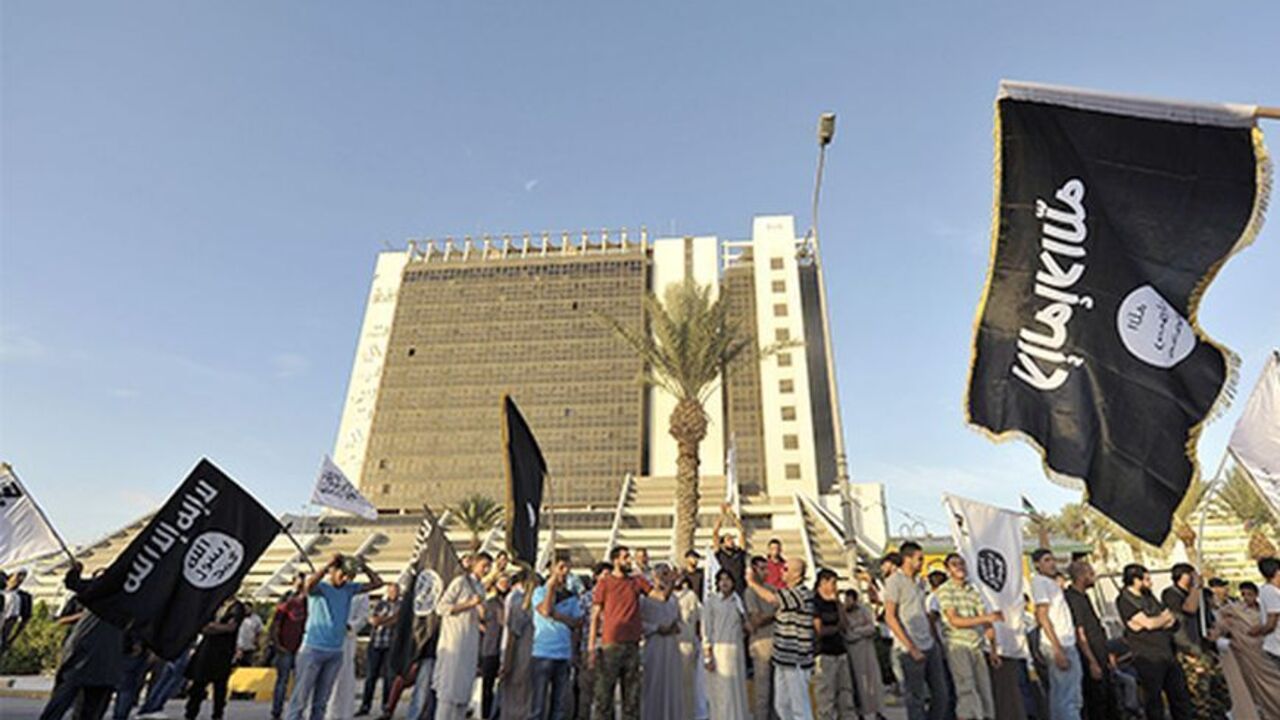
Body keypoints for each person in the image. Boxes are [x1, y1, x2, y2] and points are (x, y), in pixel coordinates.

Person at [288, 553, 384, 720]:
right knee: (300, 699)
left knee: (321, 702)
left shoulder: (349, 588)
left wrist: (363, 566)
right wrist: (327, 565)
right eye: (342, 574)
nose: (345, 579)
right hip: (313, 649)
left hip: (335, 651)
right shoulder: (320, 588)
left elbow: (378, 583)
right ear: (332, 571)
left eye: (349, 576)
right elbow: (308, 585)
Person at [39, 563, 123, 720]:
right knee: (69, 701)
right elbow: (72, 583)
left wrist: (75, 571)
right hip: (91, 656)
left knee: (78, 702)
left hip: (96, 657)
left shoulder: (114, 596)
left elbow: (72, 582)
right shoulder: (118, 596)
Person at [1115, 563, 1192, 720]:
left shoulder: (1149, 596)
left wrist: (1157, 621)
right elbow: (1147, 624)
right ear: (1136, 580)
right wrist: (1158, 621)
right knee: (1154, 701)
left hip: (1167, 653)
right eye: (1146, 579)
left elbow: (1168, 617)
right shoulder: (1125, 600)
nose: (1150, 583)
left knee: (1180, 697)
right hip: (1148, 657)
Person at [883, 542, 950, 720]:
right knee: (916, 698)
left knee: (941, 694)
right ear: (907, 559)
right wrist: (911, 647)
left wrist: (935, 641)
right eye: (919, 559)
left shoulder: (920, 582)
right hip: (909, 647)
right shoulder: (895, 582)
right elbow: (890, 616)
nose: (921, 563)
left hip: (929, 643)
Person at [745, 555, 815, 720]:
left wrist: (752, 582)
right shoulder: (786, 592)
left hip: (797, 659)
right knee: (781, 706)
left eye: (785, 569)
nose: (781, 571)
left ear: (796, 574)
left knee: (799, 707)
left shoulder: (801, 593)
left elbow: (771, 599)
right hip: (782, 658)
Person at [588, 545, 653, 720]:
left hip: (632, 645)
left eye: (629, 557)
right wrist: (592, 647)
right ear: (615, 560)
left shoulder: (636, 581)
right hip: (610, 645)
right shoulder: (605, 582)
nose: (629, 560)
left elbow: (659, 596)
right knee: (604, 698)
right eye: (625, 557)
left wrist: (669, 582)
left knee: (632, 700)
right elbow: (595, 616)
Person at [935, 553, 1000, 720]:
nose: (959, 567)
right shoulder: (945, 590)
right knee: (966, 690)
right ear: (948, 569)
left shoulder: (972, 591)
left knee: (984, 690)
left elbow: (986, 621)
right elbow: (954, 620)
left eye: (962, 563)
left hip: (977, 645)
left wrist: (993, 649)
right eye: (954, 564)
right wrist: (986, 618)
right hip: (958, 645)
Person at [1162, 563, 1227, 720]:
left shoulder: (1199, 594)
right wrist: (1196, 587)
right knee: (1199, 692)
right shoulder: (1172, 594)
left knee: (1218, 688)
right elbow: (1189, 608)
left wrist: (1215, 632)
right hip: (1189, 649)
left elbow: (1209, 616)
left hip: (1206, 647)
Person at [433, 551, 492, 720]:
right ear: (474, 564)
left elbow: (483, 616)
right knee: (449, 689)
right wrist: (468, 604)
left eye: (488, 567)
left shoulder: (481, 588)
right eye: (483, 566)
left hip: (470, 643)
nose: (486, 570)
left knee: (463, 690)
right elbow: (441, 607)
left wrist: (482, 612)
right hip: (454, 641)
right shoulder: (460, 582)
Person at [1062, 561, 1119, 720]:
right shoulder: (1073, 599)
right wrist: (1091, 661)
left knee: (1110, 699)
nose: (1093, 577)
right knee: (1097, 702)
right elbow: (1080, 633)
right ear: (1081, 576)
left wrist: (1107, 655)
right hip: (1090, 657)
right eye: (1091, 574)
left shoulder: (1084, 596)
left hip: (1100, 653)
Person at [1216, 580, 1280, 717]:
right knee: (1256, 689)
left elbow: (1269, 626)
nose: (1246, 598)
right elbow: (1220, 620)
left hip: (1265, 654)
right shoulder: (1236, 611)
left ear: (1256, 595)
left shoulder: (1265, 610)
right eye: (1243, 594)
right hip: (1249, 657)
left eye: (1250, 594)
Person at [1030, 549, 1080, 720]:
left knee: (1062, 696)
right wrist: (1057, 649)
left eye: (1052, 560)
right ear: (1037, 564)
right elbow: (1042, 616)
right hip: (1059, 644)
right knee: (1069, 698)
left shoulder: (1052, 584)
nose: (1052, 564)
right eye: (1046, 560)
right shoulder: (1040, 582)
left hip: (1066, 641)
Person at [532, 557, 585, 720]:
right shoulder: (539, 592)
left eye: (567, 568)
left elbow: (577, 622)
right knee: (538, 705)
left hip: (563, 653)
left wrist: (558, 616)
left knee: (559, 706)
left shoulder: (571, 596)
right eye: (561, 567)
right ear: (551, 569)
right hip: (543, 653)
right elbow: (546, 610)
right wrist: (551, 588)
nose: (565, 572)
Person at [185, 598, 248, 720]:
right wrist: (214, 627)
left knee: (220, 685)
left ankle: (217, 714)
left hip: (223, 651)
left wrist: (214, 627)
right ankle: (191, 713)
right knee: (198, 683)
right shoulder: (214, 603)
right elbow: (202, 626)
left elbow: (231, 627)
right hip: (206, 649)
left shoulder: (237, 607)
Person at [703, 569, 750, 720]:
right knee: (722, 691)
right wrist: (708, 656)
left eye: (727, 579)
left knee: (737, 690)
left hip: (736, 651)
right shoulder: (711, 602)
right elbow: (706, 630)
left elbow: (746, 626)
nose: (724, 582)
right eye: (721, 579)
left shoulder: (738, 601)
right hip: (719, 652)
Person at [640, 565, 685, 720]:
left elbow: (679, 620)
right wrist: (656, 628)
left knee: (671, 685)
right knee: (654, 684)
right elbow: (640, 624)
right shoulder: (645, 598)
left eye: (667, 574)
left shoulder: (674, 599)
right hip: (655, 645)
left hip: (671, 645)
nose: (665, 578)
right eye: (662, 574)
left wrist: (674, 627)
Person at [812, 568, 856, 720]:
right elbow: (819, 629)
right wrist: (835, 628)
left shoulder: (834, 602)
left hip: (840, 651)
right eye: (833, 583)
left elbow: (845, 624)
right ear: (823, 583)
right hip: (825, 653)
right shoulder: (815, 602)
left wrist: (838, 603)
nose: (835, 586)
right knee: (826, 696)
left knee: (845, 693)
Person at [327, 586, 371, 720]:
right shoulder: (329, 589)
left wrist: (349, 625)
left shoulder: (361, 594)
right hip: (326, 638)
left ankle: (342, 714)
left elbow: (363, 617)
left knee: (344, 677)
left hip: (346, 639)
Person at [359, 584, 400, 716]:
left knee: (389, 678)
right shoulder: (380, 604)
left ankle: (386, 707)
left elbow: (398, 620)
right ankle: (365, 706)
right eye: (391, 590)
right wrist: (389, 620)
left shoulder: (402, 605)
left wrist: (382, 620)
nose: (393, 593)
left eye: (395, 591)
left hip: (392, 646)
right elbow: (373, 621)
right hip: (375, 644)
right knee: (371, 676)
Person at [743, 556, 776, 720]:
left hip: (776, 644)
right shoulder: (750, 592)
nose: (766, 572)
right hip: (761, 645)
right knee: (762, 692)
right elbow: (756, 620)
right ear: (754, 570)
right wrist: (775, 613)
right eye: (762, 568)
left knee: (777, 692)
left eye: (766, 568)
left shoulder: (772, 589)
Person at [272, 575, 310, 720]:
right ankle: (277, 711)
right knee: (283, 680)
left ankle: (295, 712)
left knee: (300, 682)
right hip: (286, 646)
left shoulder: (309, 602)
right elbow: (276, 624)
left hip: (302, 648)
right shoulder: (287, 599)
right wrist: (277, 644)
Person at [842, 589, 884, 720]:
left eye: (849, 599)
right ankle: (861, 712)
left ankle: (878, 711)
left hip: (867, 652)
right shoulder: (843, 614)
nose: (847, 602)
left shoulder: (864, 610)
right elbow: (846, 634)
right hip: (853, 654)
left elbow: (871, 628)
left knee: (874, 682)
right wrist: (857, 632)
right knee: (858, 685)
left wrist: (857, 630)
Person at [499, 569, 535, 720]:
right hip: (530, 654)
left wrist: (506, 661)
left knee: (514, 697)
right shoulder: (529, 601)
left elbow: (512, 634)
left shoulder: (518, 600)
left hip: (519, 654)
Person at [675, 574, 707, 719]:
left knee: (687, 685)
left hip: (687, 645)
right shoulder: (663, 597)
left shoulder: (691, 596)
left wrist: (703, 639)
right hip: (668, 646)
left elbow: (702, 616)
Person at [477, 577, 507, 720]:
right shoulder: (490, 603)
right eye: (501, 582)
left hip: (506, 648)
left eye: (506, 582)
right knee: (487, 686)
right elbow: (479, 619)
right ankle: (486, 714)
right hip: (490, 648)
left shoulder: (511, 601)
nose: (504, 585)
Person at [1248, 557, 1280, 668]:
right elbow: (1271, 623)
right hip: (1276, 647)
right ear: (1277, 572)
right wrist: (1258, 631)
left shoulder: (1270, 591)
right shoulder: (1271, 592)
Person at [714, 504, 748, 594]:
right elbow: (715, 533)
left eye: (732, 539)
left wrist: (733, 517)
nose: (731, 541)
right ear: (723, 544)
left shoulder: (739, 552)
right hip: (726, 588)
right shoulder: (721, 554)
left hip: (740, 587)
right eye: (728, 539)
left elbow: (742, 532)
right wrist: (722, 515)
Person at [1, 569, 33, 656]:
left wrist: (11, 639)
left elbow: (21, 620)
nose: (21, 579)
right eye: (18, 575)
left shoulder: (22, 597)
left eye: (23, 576)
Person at [237, 601, 265, 666]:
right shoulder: (238, 617)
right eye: (245, 608)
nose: (246, 610)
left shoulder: (256, 618)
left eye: (248, 608)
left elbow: (260, 631)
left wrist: (258, 642)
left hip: (251, 647)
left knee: (249, 665)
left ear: (251, 608)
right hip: (238, 646)